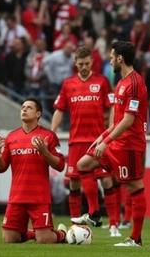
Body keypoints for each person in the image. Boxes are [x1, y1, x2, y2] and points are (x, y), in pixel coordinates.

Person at [76, 41, 148, 247]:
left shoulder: (134, 83)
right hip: (116, 141)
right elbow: (117, 121)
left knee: (134, 186)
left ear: (120, 59)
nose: (109, 60)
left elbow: (128, 120)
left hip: (130, 145)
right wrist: (102, 137)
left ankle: (135, 238)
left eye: (111, 57)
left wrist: (106, 140)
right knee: (83, 165)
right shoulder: (121, 83)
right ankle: (93, 214)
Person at [51, 46, 121, 237]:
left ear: (92, 63)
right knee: (74, 183)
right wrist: (52, 131)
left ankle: (113, 224)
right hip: (76, 141)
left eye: (87, 63)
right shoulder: (68, 84)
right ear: (75, 63)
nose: (83, 67)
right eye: (80, 64)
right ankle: (76, 225)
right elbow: (59, 110)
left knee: (106, 180)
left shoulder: (102, 82)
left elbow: (112, 105)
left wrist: (113, 126)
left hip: (98, 140)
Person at [0, 97, 67, 244]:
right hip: (17, 197)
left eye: (29, 107)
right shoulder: (11, 137)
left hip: (39, 197)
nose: (24, 109)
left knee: (45, 240)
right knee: (9, 239)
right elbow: (1, 168)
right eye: (23, 107)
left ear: (38, 114)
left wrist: (45, 152)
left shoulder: (48, 136)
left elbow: (60, 165)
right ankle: (35, 234)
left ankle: (63, 234)